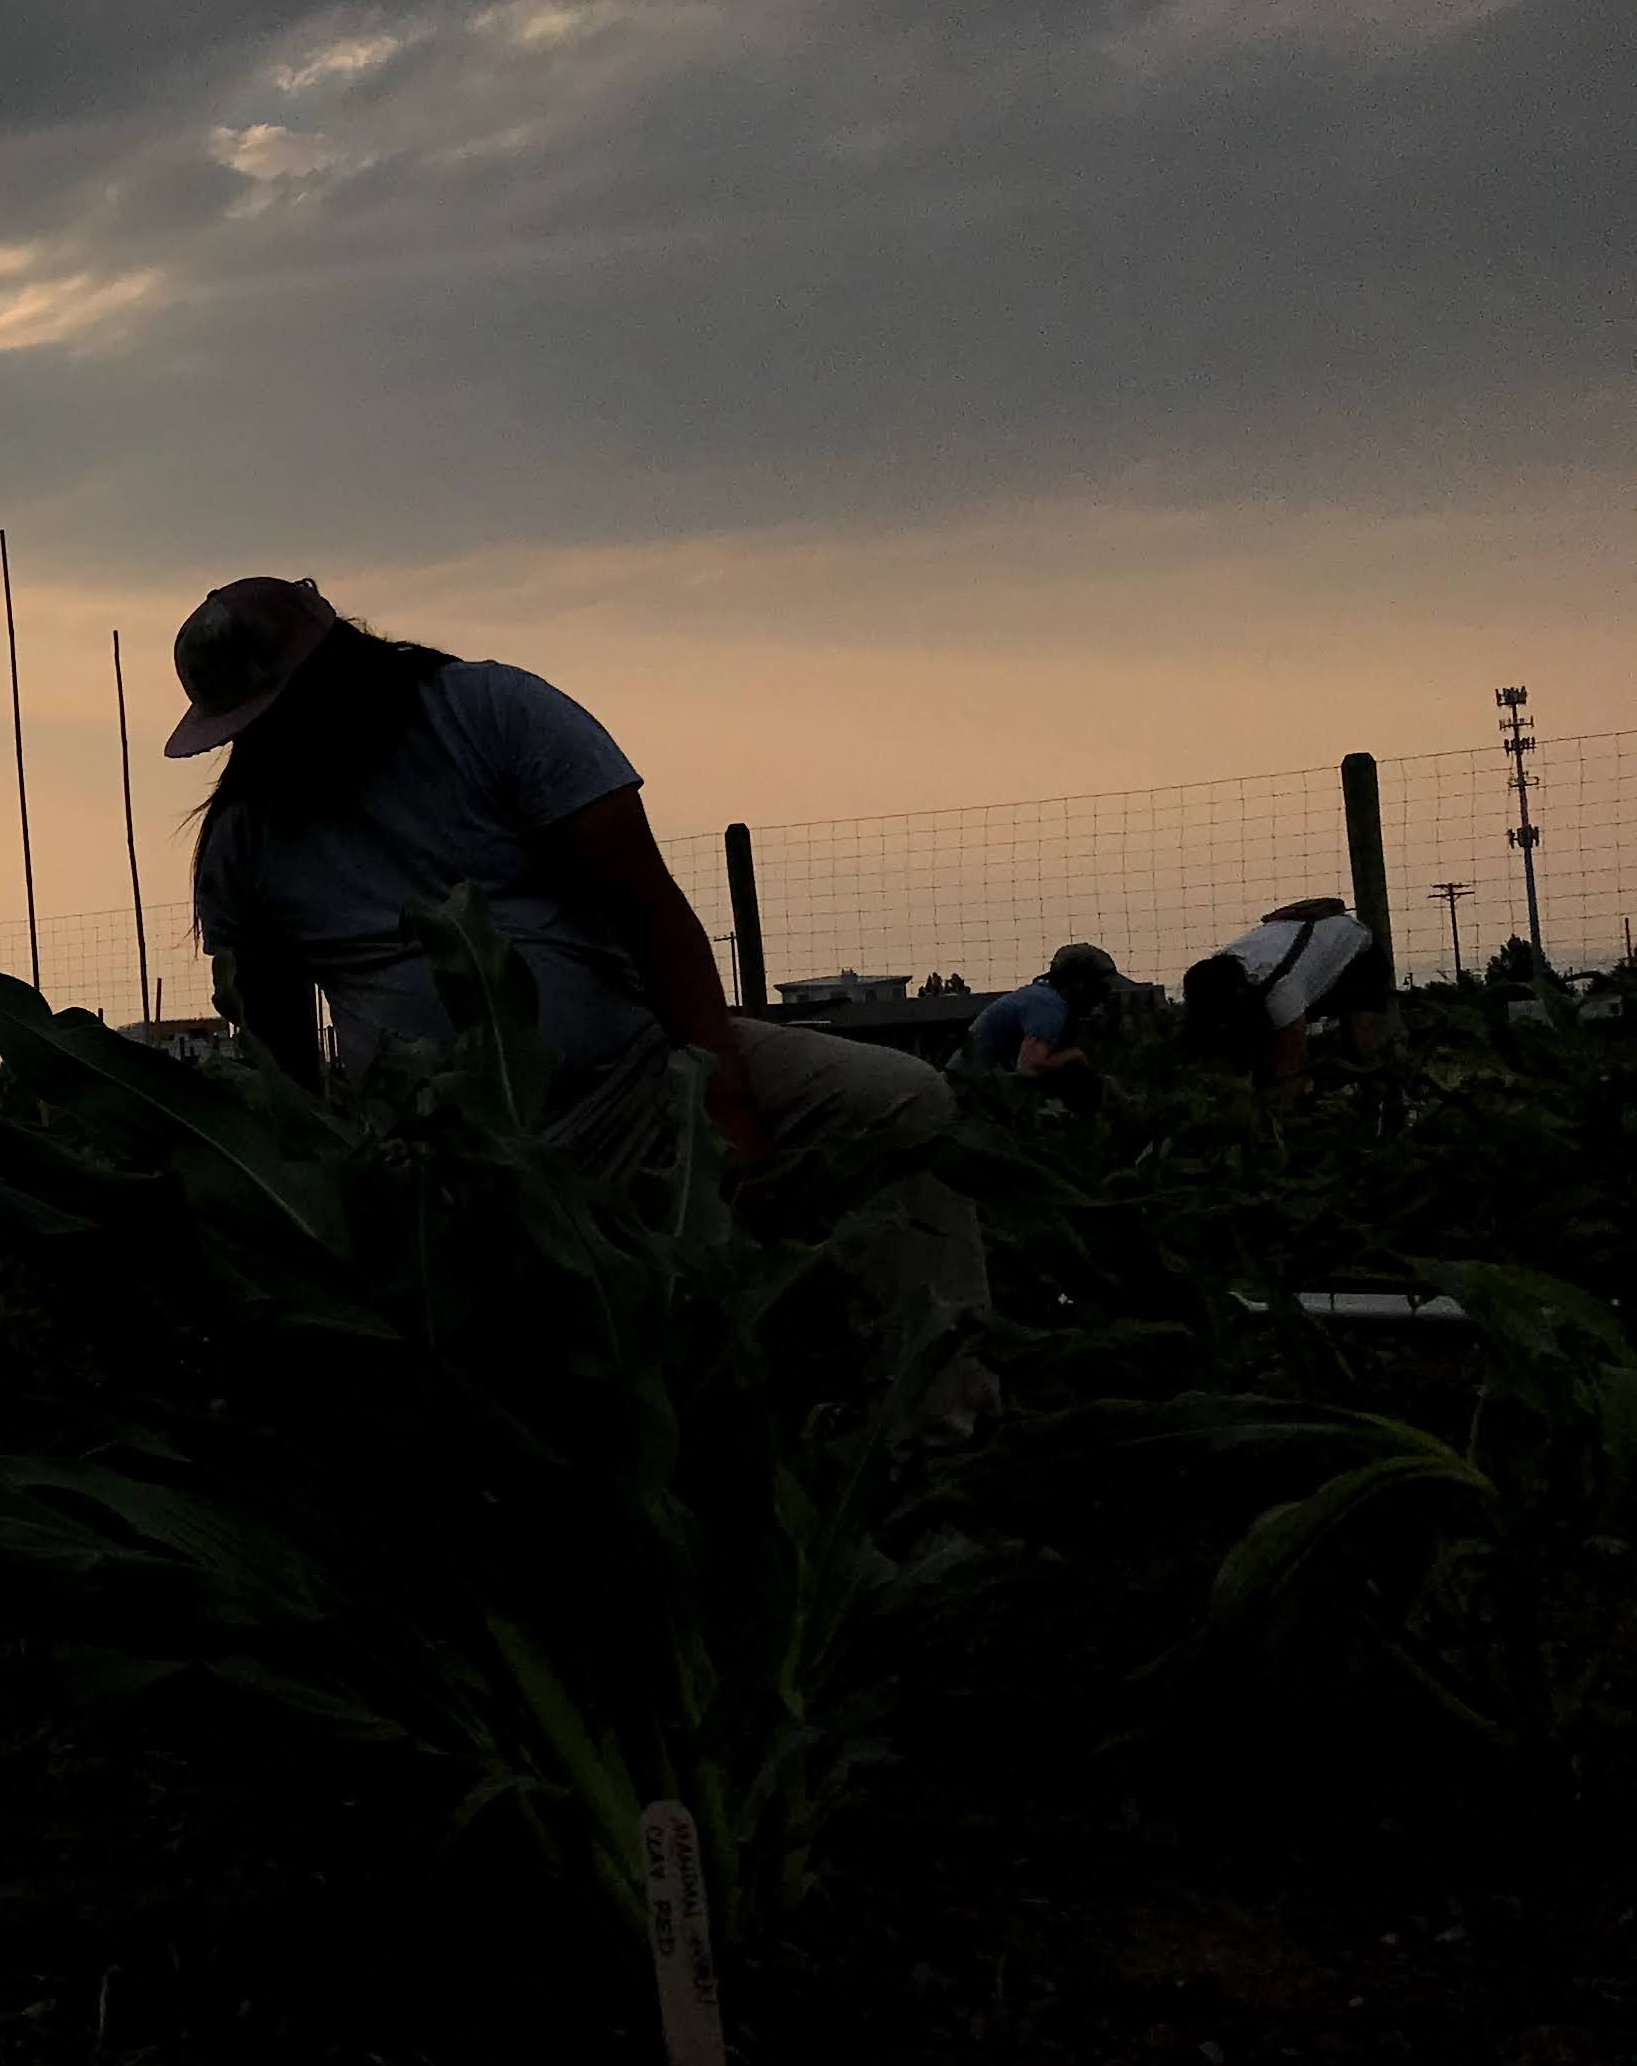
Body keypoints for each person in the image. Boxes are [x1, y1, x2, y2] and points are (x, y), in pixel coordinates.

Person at [173, 574, 990, 1427]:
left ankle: (933, 1435)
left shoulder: (490, 712)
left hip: (643, 1082)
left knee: (899, 1102)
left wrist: (721, 1096)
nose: (278, 738)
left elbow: (649, 908)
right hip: (449, 1165)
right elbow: (281, 1066)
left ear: (340, 665)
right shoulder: (247, 847)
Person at [1179, 898, 1394, 1093]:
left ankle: (1384, 1090)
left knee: (1362, 1047)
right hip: (1307, 960)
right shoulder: (1219, 970)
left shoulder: (1280, 989)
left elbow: (1292, 1062)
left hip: (1357, 957)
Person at [971, 943, 1125, 1085]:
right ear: (1079, 983)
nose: (1104, 997)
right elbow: (1029, 1069)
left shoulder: (1043, 997)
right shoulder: (1050, 1007)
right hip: (961, 1092)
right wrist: (1074, 1056)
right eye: (1101, 988)